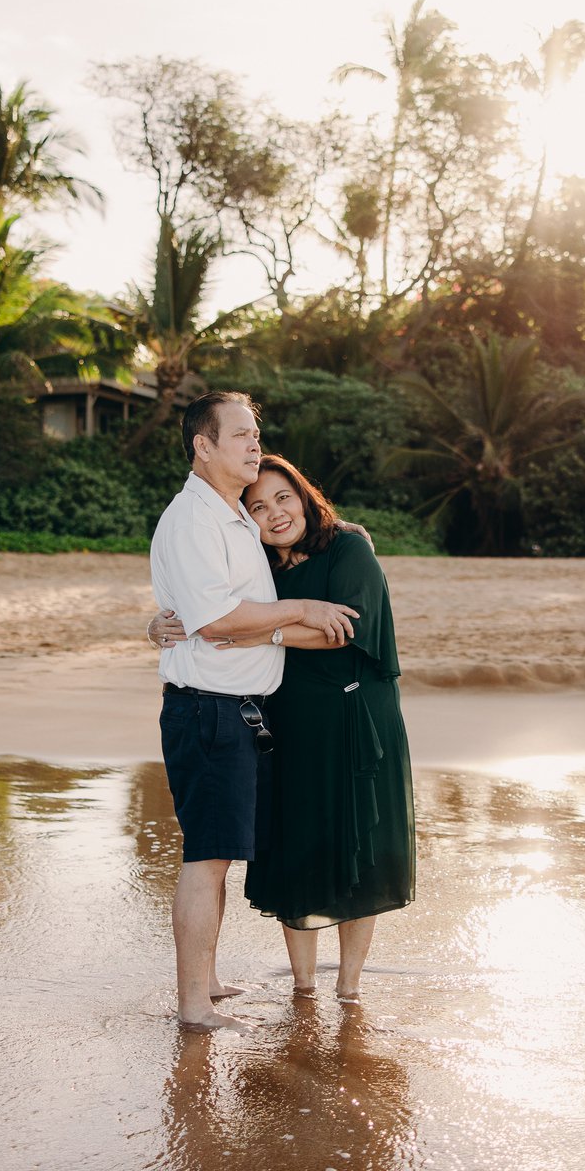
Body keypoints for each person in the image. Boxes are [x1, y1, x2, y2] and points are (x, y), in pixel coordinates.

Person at [151, 456, 415, 1004]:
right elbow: (213, 610)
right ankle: (301, 989)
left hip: (353, 716)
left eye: (283, 498)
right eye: (258, 506)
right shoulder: (260, 565)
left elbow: (344, 631)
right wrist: (161, 622)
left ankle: (347, 988)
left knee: (355, 848)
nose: (274, 514)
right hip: (285, 719)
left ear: (304, 494)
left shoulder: (347, 546)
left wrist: (265, 637)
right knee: (296, 845)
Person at [149, 392, 359, 1032]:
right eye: (240, 434)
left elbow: (206, 611)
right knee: (206, 858)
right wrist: (301, 612)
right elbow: (215, 621)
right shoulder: (195, 519)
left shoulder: (233, 516)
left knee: (215, 853)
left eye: (256, 432)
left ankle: (205, 983)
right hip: (209, 711)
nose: (254, 444)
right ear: (202, 446)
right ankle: (191, 1007)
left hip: (234, 711)